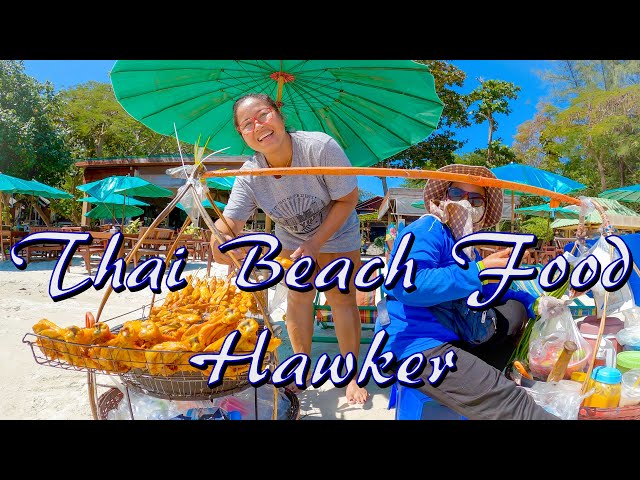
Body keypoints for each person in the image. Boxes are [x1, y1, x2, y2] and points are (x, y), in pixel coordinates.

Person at [210, 93, 369, 404]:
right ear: (242, 135)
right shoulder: (249, 175)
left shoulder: (319, 147)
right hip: (292, 237)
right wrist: (220, 239)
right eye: (247, 124)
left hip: (337, 230)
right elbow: (230, 224)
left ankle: (350, 376)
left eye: (264, 114)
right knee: (298, 299)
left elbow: (348, 200)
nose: (258, 125)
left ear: (279, 114)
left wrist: (316, 242)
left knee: (341, 298)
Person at [375, 164, 559, 420]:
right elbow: (406, 283)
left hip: (450, 331)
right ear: (442, 197)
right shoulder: (427, 229)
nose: (464, 203)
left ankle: (481, 385)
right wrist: (479, 269)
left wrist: (534, 302)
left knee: (513, 312)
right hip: (417, 344)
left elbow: (485, 288)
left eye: (474, 199)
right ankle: (489, 391)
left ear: (480, 209)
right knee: (512, 401)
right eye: (456, 194)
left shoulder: (460, 243)